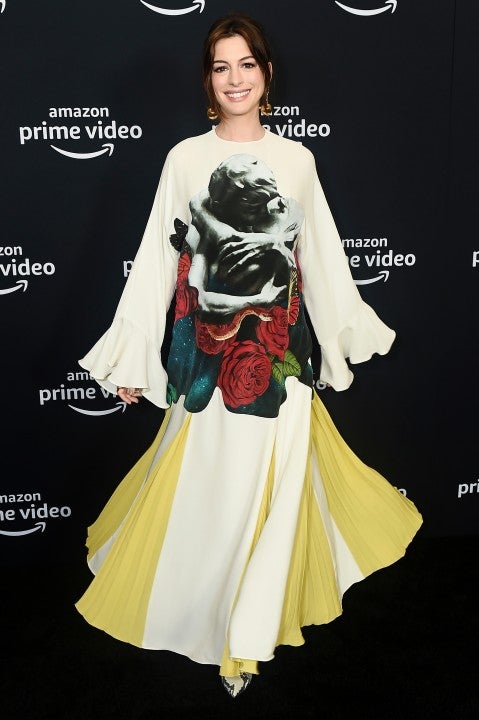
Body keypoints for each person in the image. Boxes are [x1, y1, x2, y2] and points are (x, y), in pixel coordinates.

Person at [75, 13, 422, 698]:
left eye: (246, 64)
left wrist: (342, 339)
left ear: (266, 73)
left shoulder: (297, 161)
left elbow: (320, 257)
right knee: (211, 490)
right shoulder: (184, 158)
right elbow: (155, 261)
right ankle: (207, 618)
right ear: (208, 81)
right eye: (220, 67)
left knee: (276, 491)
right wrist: (132, 356)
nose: (235, 78)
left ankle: (245, 643)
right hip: (205, 360)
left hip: (280, 358)